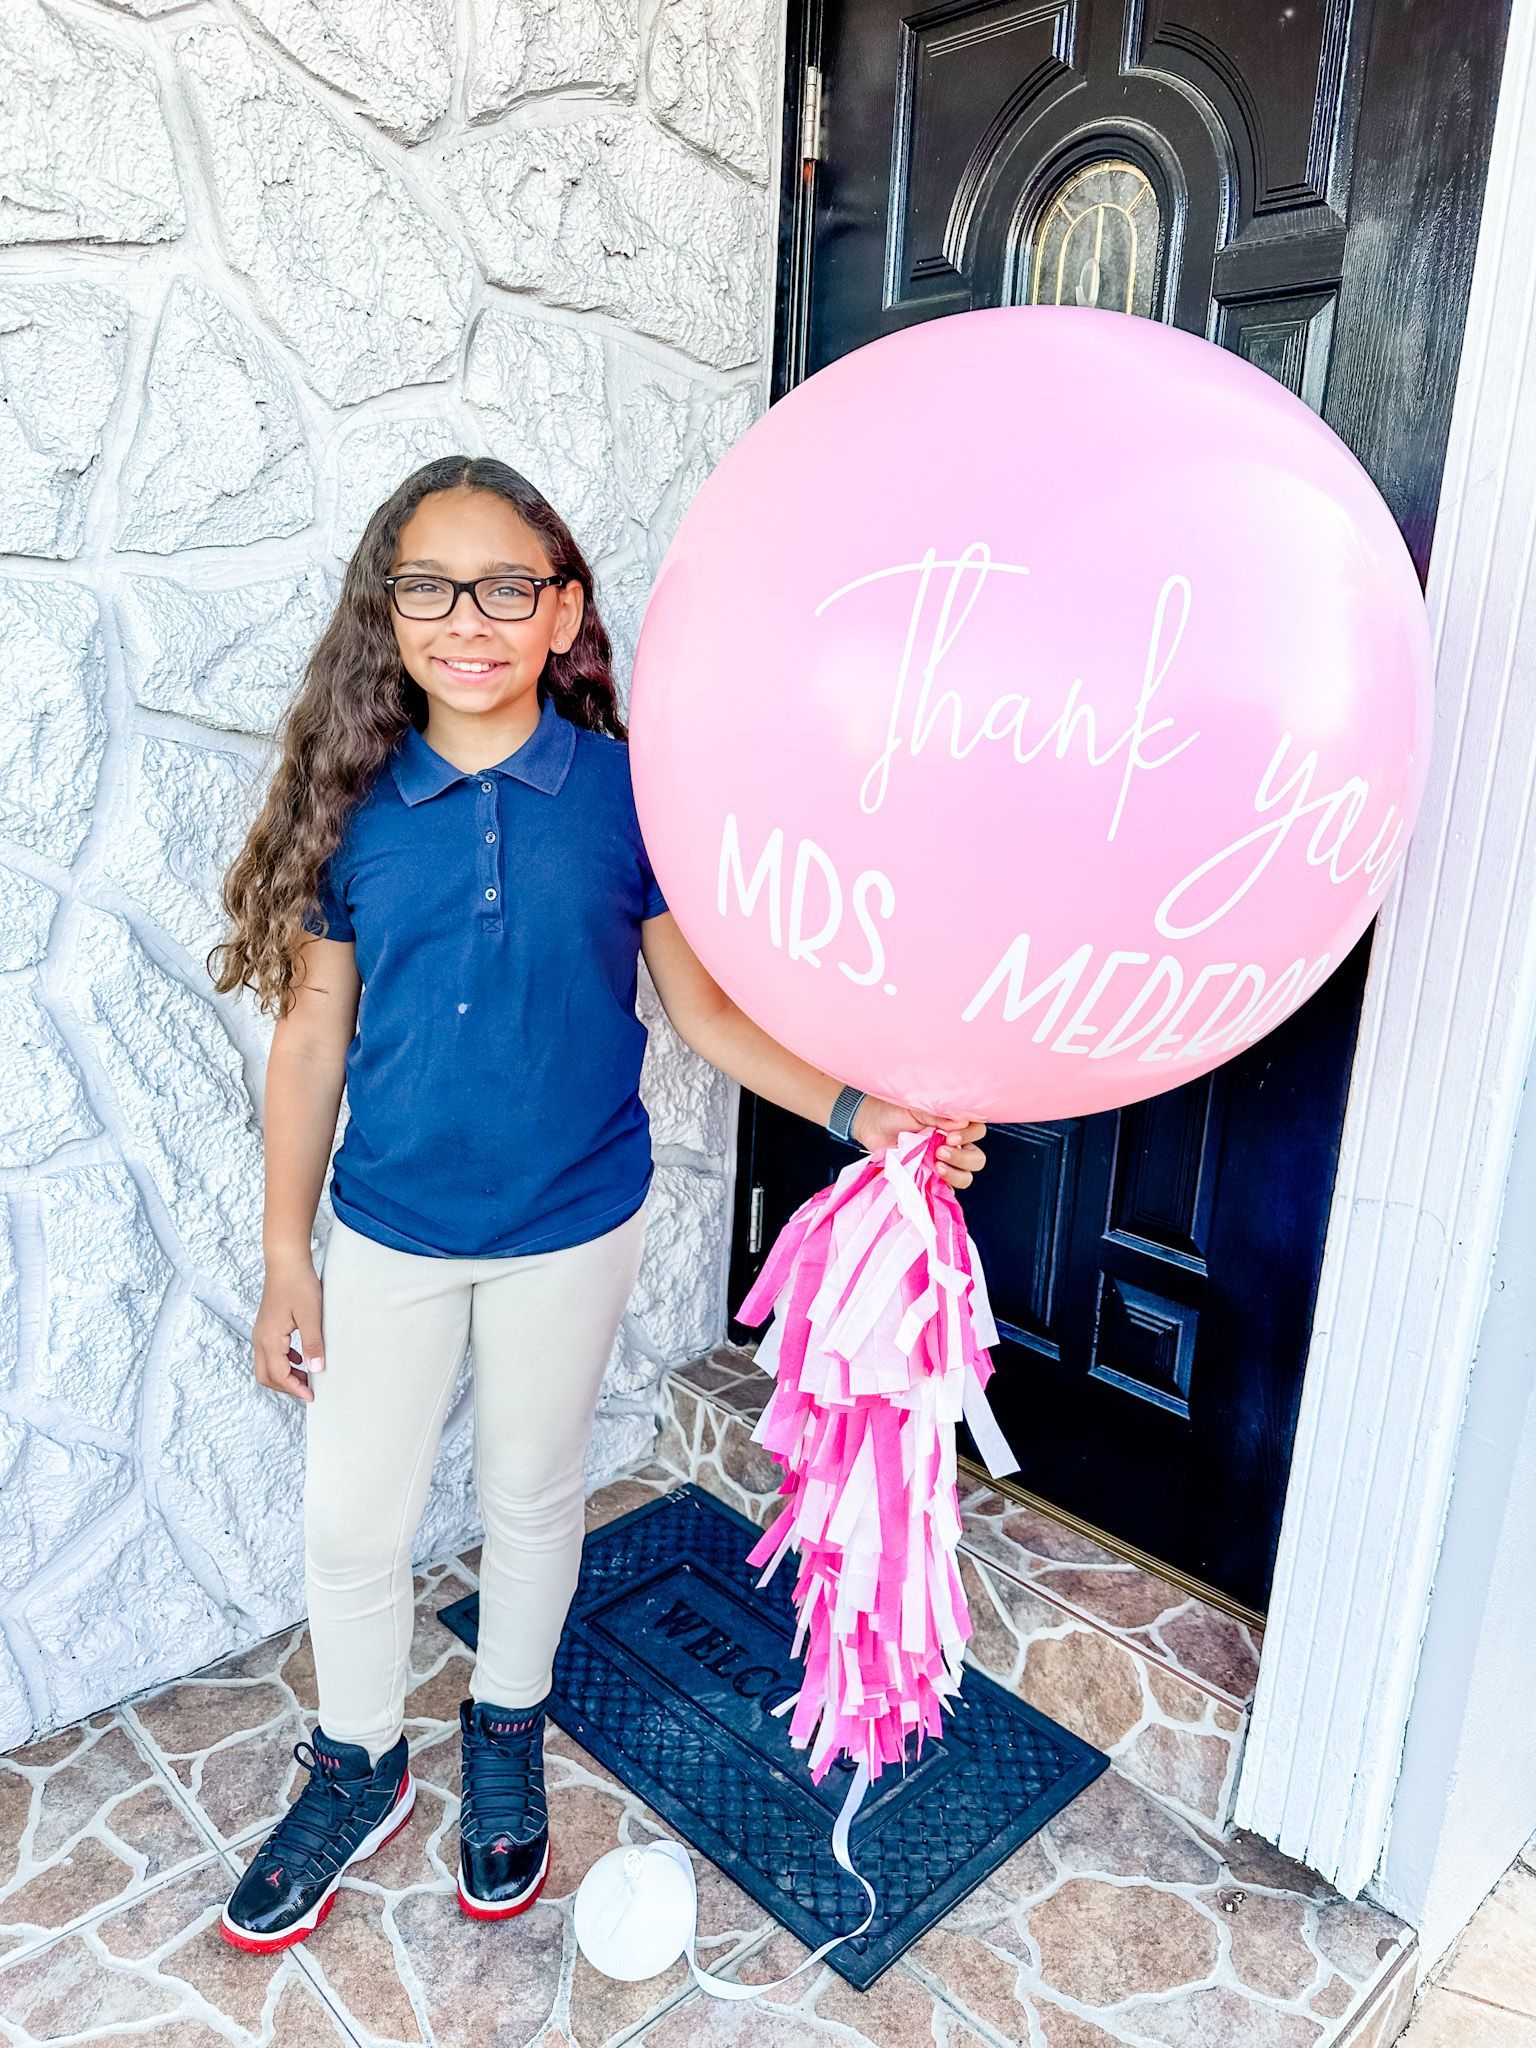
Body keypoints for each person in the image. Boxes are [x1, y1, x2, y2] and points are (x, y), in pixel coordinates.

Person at [206, 455, 988, 1953]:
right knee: (354, 1519)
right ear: (391, 610)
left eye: (510, 586)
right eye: (430, 588)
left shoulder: (630, 792)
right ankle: (357, 1761)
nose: (470, 620)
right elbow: (312, 1037)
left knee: (529, 1490)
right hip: (387, 1233)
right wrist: (285, 1254)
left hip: (574, 1224)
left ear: (562, 608)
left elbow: (701, 1013)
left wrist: (858, 1108)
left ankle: (506, 1724)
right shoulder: (358, 803)